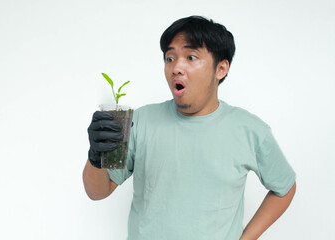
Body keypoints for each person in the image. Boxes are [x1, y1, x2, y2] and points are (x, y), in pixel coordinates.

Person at [83, 15, 296, 240]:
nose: (176, 67)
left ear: (221, 69)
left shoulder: (250, 130)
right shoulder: (140, 121)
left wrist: (246, 238)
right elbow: (97, 192)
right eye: (170, 58)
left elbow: (285, 188)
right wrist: (95, 156)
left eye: (191, 57)